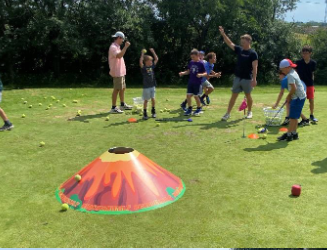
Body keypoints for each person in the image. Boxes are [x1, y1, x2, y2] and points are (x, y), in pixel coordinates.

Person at [219, 26, 258, 121]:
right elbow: (230, 43)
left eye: (243, 42)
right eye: (241, 42)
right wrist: (223, 34)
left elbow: (255, 67)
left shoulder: (253, 53)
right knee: (233, 96)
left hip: (247, 79)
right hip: (238, 78)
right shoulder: (239, 50)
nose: (242, 43)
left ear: (249, 41)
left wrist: (254, 79)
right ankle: (227, 114)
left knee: (248, 95)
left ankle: (249, 112)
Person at [277, 59, 306, 141]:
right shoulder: (293, 71)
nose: (282, 72)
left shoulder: (290, 75)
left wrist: (288, 96)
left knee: (292, 117)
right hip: (300, 97)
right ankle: (294, 133)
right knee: (295, 117)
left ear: (287, 67)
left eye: (282, 70)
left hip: (297, 98)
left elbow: (294, 88)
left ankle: (288, 134)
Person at [108, 31, 133, 114]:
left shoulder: (117, 46)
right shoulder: (113, 47)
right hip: (116, 72)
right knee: (117, 89)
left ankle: (122, 104)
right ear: (119, 38)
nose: (123, 41)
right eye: (122, 39)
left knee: (122, 88)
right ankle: (113, 107)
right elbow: (119, 56)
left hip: (121, 71)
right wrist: (125, 47)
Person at [179, 49, 207, 116]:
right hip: (190, 82)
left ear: (198, 56)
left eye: (193, 57)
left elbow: (205, 73)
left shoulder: (201, 63)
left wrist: (201, 75)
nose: (192, 59)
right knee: (188, 95)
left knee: (196, 96)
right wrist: (183, 73)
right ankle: (189, 109)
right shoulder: (191, 62)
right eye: (191, 57)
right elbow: (188, 71)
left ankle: (199, 108)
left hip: (197, 83)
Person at [296, 45, 318, 124]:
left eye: (306, 53)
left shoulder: (313, 63)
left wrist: (313, 85)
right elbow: (296, 73)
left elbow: (312, 74)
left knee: (311, 100)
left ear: (310, 53)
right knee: (300, 101)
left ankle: (311, 115)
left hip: (310, 84)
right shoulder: (298, 62)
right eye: (303, 53)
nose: (304, 55)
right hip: (301, 85)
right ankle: (300, 117)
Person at [139, 48, 159, 120]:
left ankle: (153, 111)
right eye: (150, 60)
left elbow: (156, 59)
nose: (151, 62)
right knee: (146, 100)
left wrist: (153, 52)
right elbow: (141, 62)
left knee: (153, 99)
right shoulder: (144, 68)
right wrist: (142, 54)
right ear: (146, 62)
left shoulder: (152, 67)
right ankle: (145, 113)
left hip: (152, 86)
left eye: (151, 60)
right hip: (146, 87)